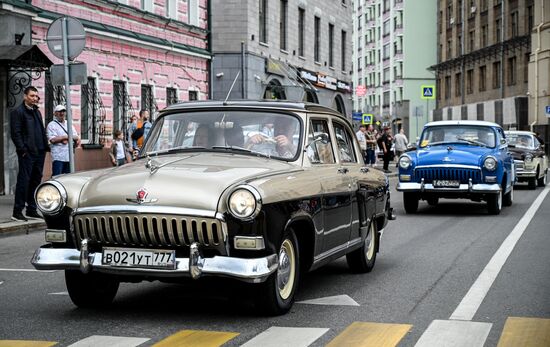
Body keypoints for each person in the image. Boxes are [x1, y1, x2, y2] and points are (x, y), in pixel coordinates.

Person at [10, 86, 50, 221]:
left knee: (35, 181)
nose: (35, 98)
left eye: (36, 96)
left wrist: (46, 146)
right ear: (25, 96)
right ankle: (17, 211)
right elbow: (16, 134)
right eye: (32, 96)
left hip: (39, 152)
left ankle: (31, 210)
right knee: (24, 181)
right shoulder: (18, 112)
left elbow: (42, 130)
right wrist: (22, 150)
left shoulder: (37, 112)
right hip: (27, 153)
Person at [47, 104, 80, 176]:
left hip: (69, 156)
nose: (62, 113)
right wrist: (66, 137)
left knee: (68, 177)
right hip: (58, 157)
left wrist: (64, 138)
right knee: (57, 176)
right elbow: (52, 140)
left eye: (63, 111)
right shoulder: (51, 125)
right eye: (59, 112)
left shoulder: (69, 124)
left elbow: (76, 137)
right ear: (55, 113)